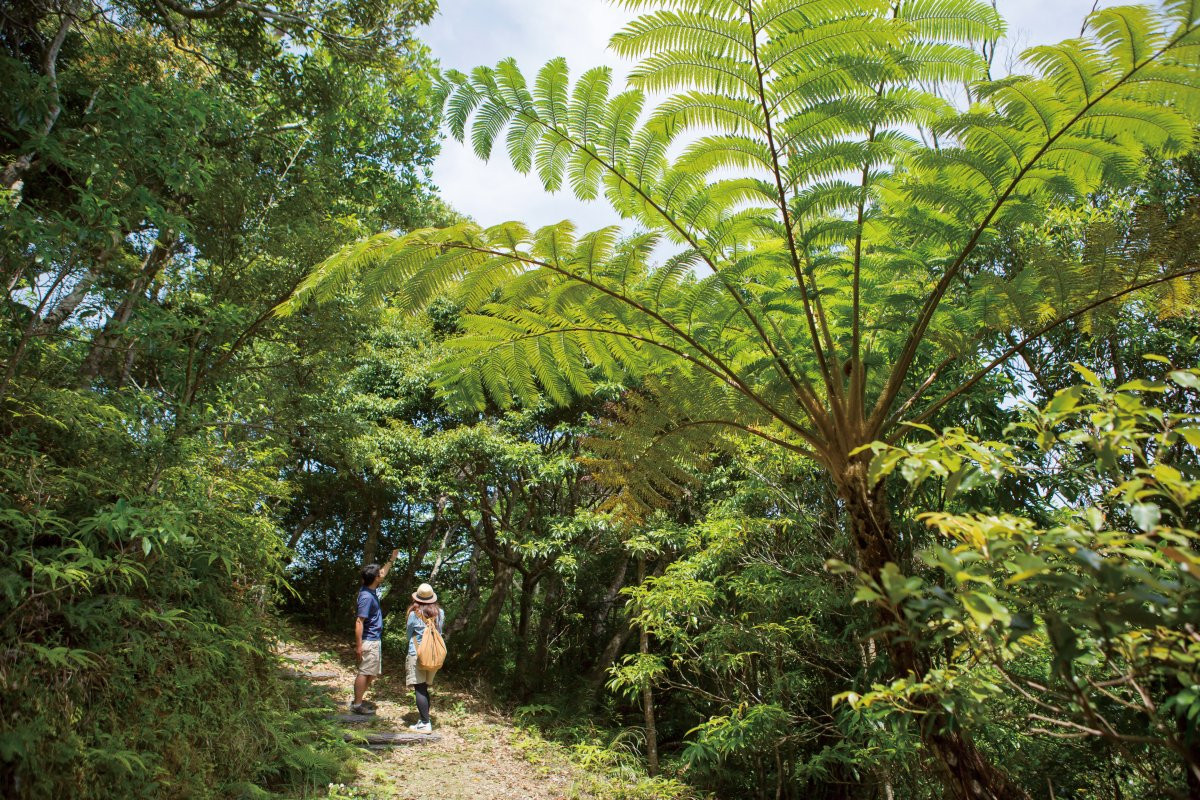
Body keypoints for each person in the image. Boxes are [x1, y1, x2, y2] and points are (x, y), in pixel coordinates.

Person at [351, 549, 399, 715]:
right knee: (365, 672)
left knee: (371, 673)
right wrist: (359, 646)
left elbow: (383, 572)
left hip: (374, 639)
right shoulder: (366, 597)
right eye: (379, 574)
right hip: (369, 640)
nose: (382, 574)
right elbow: (359, 621)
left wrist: (391, 559)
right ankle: (357, 705)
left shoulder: (370, 589)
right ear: (375, 578)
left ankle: (358, 700)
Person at [405, 583, 444, 733]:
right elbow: (440, 631)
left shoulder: (414, 614)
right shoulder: (440, 613)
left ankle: (425, 723)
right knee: (425, 688)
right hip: (434, 655)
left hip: (417, 654)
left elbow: (409, 634)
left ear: (417, 598)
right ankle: (424, 719)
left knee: (419, 688)